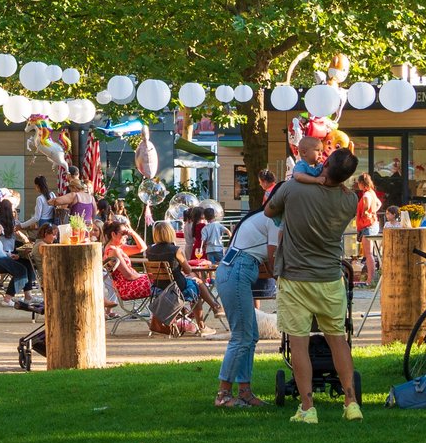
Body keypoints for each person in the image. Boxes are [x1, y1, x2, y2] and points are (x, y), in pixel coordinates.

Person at [263, 148, 364, 424]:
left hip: (295, 278)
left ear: (327, 164)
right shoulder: (350, 200)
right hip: (330, 278)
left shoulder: (293, 188)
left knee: (299, 343)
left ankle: (307, 408)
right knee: (337, 340)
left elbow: (268, 209)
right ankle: (351, 402)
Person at [215, 207, 278, 408]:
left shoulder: (260, 217)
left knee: (250, 335)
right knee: (242, 336)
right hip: (239, 269)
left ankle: (245, 392)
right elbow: (273, 257)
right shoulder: (275, 219)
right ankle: (223, 395)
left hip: (234, 269)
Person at [144, 220, 224, 331]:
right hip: (176, 287)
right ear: (170, 233)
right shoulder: (176, 250)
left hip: (159, 287)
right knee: (197, 283)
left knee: (195, 282)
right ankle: (206, 320)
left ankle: (215, 308)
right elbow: (187, 270)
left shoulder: (149, 251)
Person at [103, 222, 153, 302]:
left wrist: (132, 232)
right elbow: (128, 275)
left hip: (129, 284)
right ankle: (162, 312)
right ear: (113, 234)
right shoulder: (114, 251)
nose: (127, 236)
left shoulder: (118, 248)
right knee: (161, 281)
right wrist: (143, 275)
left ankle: (159, 311)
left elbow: (143, 247)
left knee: (161, 280)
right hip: (127, 287)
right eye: (124, 233)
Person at [354, 173, 383, 285]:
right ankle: (371, 278)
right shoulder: (372, 192)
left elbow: (366, 203)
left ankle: (370, 279)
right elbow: (379, 203)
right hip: (372, 224)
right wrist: (374, 211)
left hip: (367, 226)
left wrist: (367, 211)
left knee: (369, 253)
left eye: (358, 183)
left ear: (362, 183)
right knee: (369, 253)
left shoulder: (366, 195)